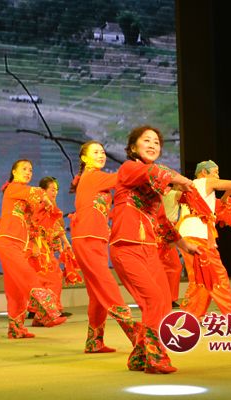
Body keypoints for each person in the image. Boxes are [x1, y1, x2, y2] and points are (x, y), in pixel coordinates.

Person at [109, 126, 199, 374]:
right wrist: (182, 180)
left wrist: (185, 245)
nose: (152, 145)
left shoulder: (156, 190)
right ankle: (155, 356)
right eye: (146, 140)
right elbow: (154, 171)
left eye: (157, 142)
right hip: (126, 248)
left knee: (164, 303)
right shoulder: (128, 169)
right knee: (153, 299)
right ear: (133, 147)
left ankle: (139, 355)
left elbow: (163, 223)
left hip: (149, 250)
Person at [69, 140, 139, 354]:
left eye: (102, 152)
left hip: (95, 238)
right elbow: (122, 178)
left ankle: (94, 341)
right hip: (87, 238)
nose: (101, 155)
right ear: (84, 158)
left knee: (98, 292)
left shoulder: (93, 178)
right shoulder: (92, 176)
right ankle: (135, 334)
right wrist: (141, 167)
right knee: (107, 286)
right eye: (96, 152)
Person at [0, 159, 67, 339]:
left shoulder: (25, 196)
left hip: (20, 244)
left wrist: (48, 205)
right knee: (29, 276)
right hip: (7, 241)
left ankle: (16, 329)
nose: (28, 172)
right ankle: (49, 311)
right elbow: (37, 193)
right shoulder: (13, 188)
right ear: (14, 172)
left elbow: (37, 216)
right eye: (24, 169)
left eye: (31, 170)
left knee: (15, 288)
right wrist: (45, 198)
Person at [177, 160, 231, 320]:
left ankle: (191, 316)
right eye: (215, 172)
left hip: (188, 234)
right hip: (197, 234)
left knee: (200, 278)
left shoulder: (189, 186)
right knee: (217, 276)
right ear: (204, 172)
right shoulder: (205, 182)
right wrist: (225, 198)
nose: (217, 176)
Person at [27, 176, 71, 321]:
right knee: (53, 276)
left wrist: (65, 242)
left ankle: (36, 310)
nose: (55, 192)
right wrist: (34, 244)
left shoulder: (49, 206)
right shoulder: (39, 205)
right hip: (38, 246)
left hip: (44, 247)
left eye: (56, 190)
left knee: (42, 278)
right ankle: (51, 309)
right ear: (43, 191)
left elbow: (55, 227)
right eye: (52, 190)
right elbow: (31, 224)